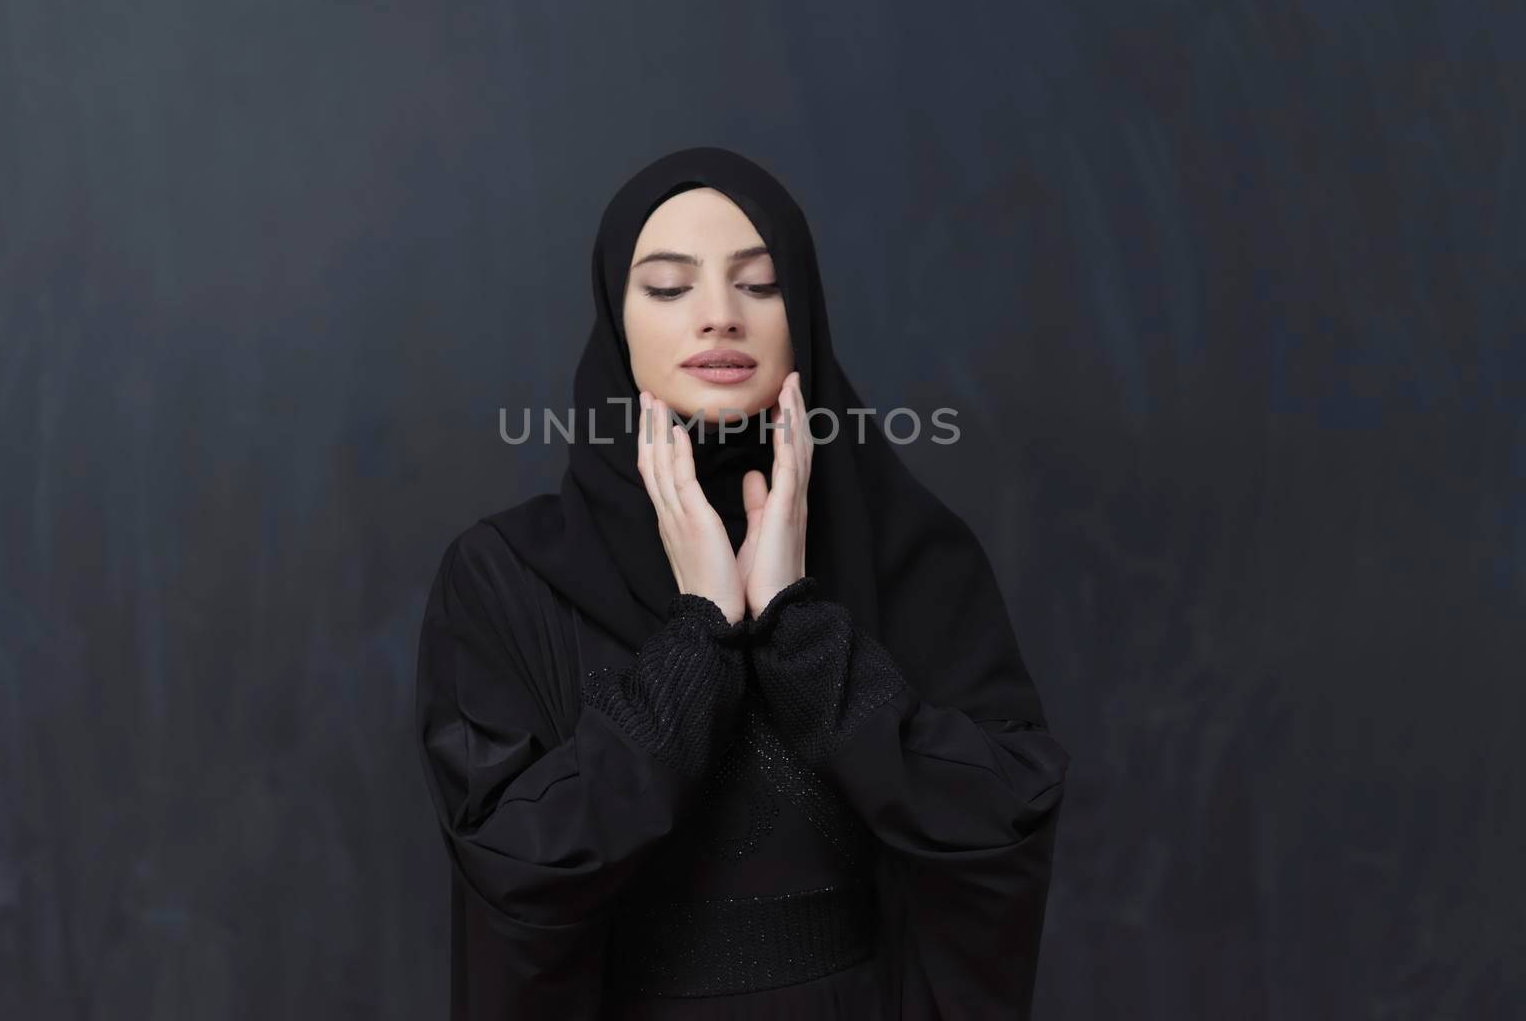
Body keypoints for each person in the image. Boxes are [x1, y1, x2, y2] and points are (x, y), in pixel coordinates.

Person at [415, 147, 1070, 1019]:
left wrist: (800, 627)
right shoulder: (504, 576)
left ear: (803, 313)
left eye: (759, 286)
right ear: (616, 323)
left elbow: (1002, 819)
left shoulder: (912, 551)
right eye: (669, 287)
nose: (720, 317)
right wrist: (700, 634)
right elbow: (516, 867)